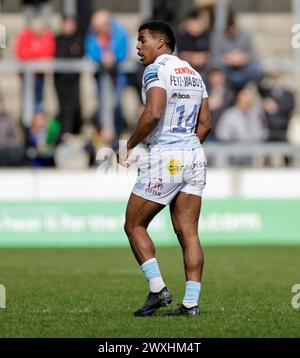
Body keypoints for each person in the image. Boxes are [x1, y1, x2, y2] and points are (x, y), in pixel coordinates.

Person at [118, 21, 211, 317]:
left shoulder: (156, 70)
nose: (137, 46)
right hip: (195, 154)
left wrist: (130, 144)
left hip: (167, 155)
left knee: (133, 225)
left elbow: (153, 113)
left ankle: (158, 290)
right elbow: (206, 123)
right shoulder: (194, 74)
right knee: (188, 232)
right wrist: (188, 150)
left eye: (142, 39)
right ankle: (191, 303)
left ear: (160, 43)